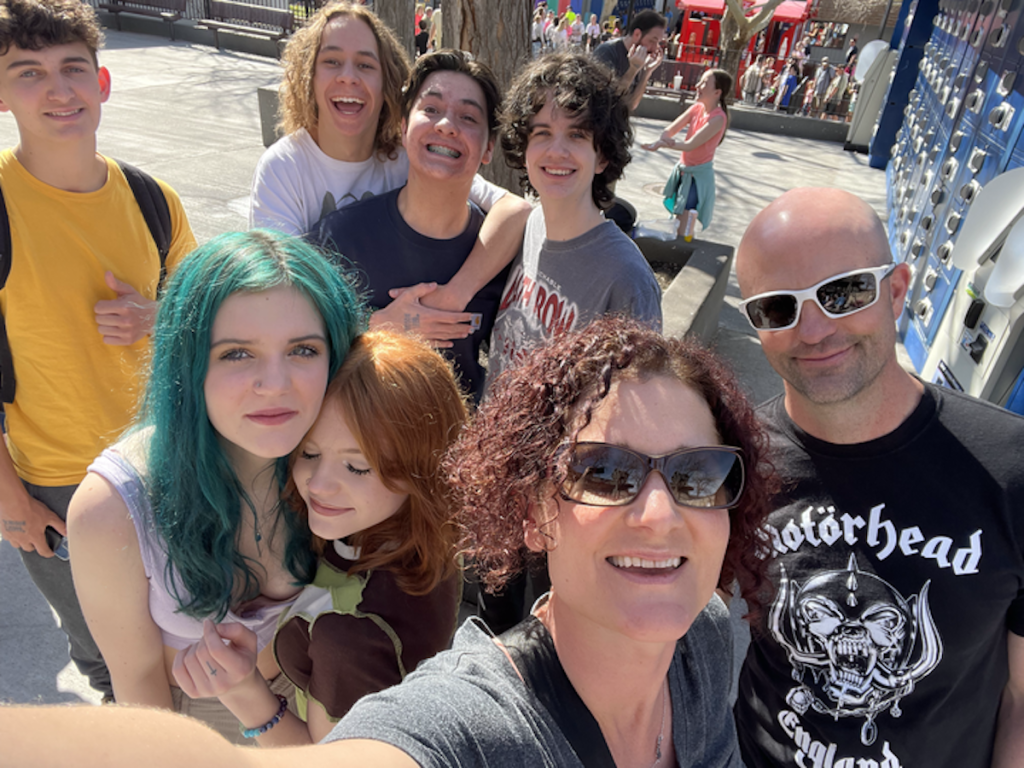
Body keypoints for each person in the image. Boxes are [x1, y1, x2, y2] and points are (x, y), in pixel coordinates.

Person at [3, 317, 777, 768]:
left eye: (699, 476)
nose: (657, 513)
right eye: (605, 473)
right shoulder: (470, 727)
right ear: (532, 513)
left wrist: (248, 691)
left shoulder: (705, 641)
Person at [732, 188, 1024, 768]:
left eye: (843, 294)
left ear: (895, 291)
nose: (813, 330)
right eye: (777, 308)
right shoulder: (737, 461)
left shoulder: (1011, 471)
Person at [67, 231, 362, 742]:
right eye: (236, 354)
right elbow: (139, 688)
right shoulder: (113, 507)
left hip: (336, 713)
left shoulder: (356, 460)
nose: (275, 383)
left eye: (303, 349)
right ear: (189, 363)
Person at [0, 0, 196, 703]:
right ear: (1, 93)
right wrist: (9, 499)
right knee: (111, 662)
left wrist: (159, 315)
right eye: (30, 73)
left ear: (103, 84)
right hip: (55, 481)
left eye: (73, 69)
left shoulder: (153, 199)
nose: (58, 90)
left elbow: (213, 324)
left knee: (184, 645)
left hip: (167, 465)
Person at [171, 331, 467, 745]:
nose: (319, 485)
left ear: (426, 467)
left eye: (358, 467)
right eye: (308, 454)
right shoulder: (389, 531)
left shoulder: (353, 638)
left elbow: (327, 761)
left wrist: (243, 691)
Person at [249, 2, 529, 349]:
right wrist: (381, 322)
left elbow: (512, 209)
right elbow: (278, 304)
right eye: (331, 61)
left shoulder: (405, 154)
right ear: (309, 75)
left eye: (366, 65)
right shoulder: (284, 168)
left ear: (387, 82)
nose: (348, 76)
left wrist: (455, 295)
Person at [310, 51, 507, 401]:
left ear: (489, 148)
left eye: (467, 116)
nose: (446, 125)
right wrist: (374, 326)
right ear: (403, 128)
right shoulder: (337, 239)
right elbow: (295, 338)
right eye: (430, 109)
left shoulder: (502, 252)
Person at [488, 52, 661, 388]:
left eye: (577, 134)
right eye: (541, 133)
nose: (557, 151)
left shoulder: (627, 279)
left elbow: (637, 405)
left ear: (603, 156)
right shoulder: (529, 225)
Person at [642, 68, 730, 239]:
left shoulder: (718, 118)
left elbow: (690, 145)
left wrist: (663, 144)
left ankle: (682, 248)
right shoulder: (697, 108)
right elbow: (672, 129)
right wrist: (663, 138)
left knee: (685, 218)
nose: (698, 85)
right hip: (684, 170)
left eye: (704, 83)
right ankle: (678, 247)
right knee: (678, 215)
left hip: (697, 177)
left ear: (717, 92)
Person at [592, 9, 666, 112]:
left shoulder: (638, 58)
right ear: (637, 34)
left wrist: (646, 73)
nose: (654, 48)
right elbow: (607, 101)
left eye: (658, 43)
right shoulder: (606, 52)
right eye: (652, 41)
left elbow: (631, 105)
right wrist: (632, 70)